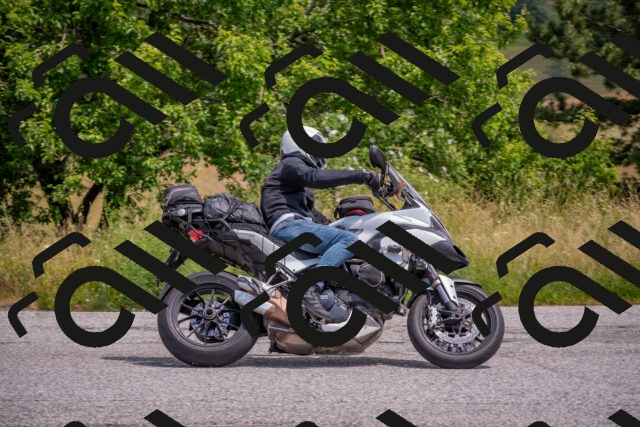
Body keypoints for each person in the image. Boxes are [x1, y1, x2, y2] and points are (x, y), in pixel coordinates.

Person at [260, 126, 381, 320]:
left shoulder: (295, 178)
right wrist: (360, 176)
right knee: (349, 241)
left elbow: (311, 215)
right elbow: (315, 177)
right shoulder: (291, 163)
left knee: (349, 237)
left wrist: (340, 224)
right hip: (288, 225)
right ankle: (310, 287)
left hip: (295, 224)